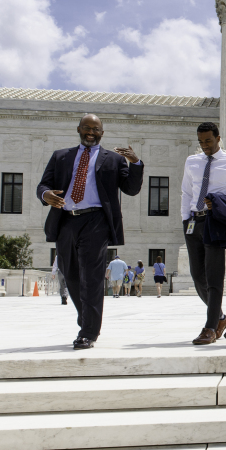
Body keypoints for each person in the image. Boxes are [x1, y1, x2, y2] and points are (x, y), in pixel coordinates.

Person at [37, 113, 144, 350]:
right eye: (87, 128)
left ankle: (88, 331)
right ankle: (87, 316)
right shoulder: (61, 156)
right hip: (66, 219)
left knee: (92, 277)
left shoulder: (113, 160)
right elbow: (44, 184)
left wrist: (135, 163)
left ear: (102, 133)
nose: (91, 132)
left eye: (95, 129)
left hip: (96, 221)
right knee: (69, 272)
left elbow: (131, 189)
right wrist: (46, 195)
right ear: (78, 129)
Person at [181, 122, 226, 345]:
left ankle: (209, 328)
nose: (205, 146)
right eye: (201, 142)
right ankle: (219, 317)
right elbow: (186, 191)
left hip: (216, 221)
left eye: (208, 141)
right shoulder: (192, 161)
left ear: (218, 138)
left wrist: (221, 205)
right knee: (197, 275)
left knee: (214, 277)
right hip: (193, 221)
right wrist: (184, 218)